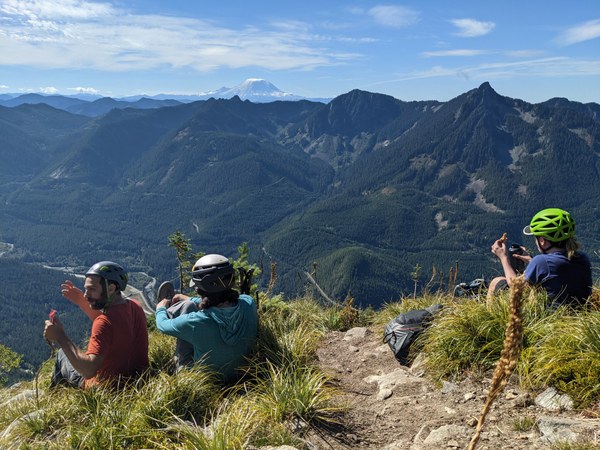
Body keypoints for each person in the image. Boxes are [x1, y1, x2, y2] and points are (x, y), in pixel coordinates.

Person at [44, 261, 149, 388]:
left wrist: (60, 336)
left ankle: (56, 396)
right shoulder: (135, 306)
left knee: (62, 354)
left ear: (111, 288)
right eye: (86, 289)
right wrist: (82, 301)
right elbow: (110, 325)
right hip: (138, 383)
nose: (85, 294)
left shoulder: (103, 323)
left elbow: (88, 371)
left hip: (106, 390)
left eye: (92, 289)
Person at [155, 254, 258, 382]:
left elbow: (162, 325)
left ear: (201, 288)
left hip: (205, 382)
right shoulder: (249, 303)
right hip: (241, 375)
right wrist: (189, 299)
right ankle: (184, 304)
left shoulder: (196, 322)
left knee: (187, 308)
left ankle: (179, 369)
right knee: (189, 304)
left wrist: (160, 308)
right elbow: (222, 300)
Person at [488, 208, 593, 309]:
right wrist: (531, 260)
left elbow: (515, 285)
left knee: (497, 281)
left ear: (542, 241)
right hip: (578, 314)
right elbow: (556, 270)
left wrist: (503, 257)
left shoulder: (541, 262)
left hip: (551, 318)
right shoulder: (583, 258)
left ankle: (492, 319)